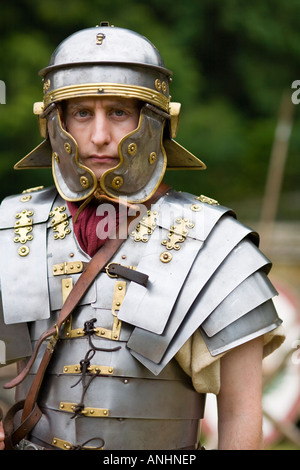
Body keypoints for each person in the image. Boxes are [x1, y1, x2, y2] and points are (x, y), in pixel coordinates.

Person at [0, 22, 285, 451]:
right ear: (54, 124)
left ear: (155, 122)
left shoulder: (216, 246)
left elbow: (242, 415)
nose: (99, 136)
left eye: (119, 113)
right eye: (81, 113)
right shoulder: (10, 229)